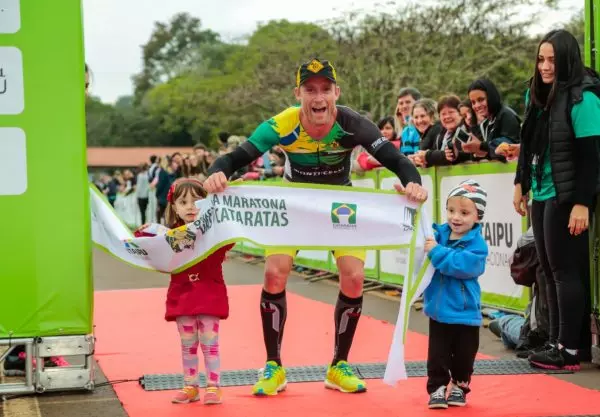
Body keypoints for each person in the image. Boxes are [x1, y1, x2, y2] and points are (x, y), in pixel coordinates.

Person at [203, 58, 428, 396]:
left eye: (325, 89)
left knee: (354, 276)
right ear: (298, 94)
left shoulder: (354, 124)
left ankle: (339, 365)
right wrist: (217, 173)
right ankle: (273, 366)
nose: (318, 97)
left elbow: (396, 161)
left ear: (337, 92)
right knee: (274, 273)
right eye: (310, 90)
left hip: (340, 205)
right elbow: (234, 158)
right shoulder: (282, 124)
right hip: (294, 204)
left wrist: (413, 183)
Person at [513, 29, 600, 371]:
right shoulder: (535, 93)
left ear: (567, 60)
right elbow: (528, 143)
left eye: (552, 60)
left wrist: (582, 203)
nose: (545, 67)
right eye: (540, 59)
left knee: (565, 271)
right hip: (541, 191)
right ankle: (556, 341)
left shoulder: (584, 99)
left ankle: (569, 350)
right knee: (548, 271)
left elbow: (591, 158)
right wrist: (520, 183)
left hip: (567, 195)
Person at [135, 178, 233, 405]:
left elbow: (232, 233)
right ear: (174, 207)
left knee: (209, 343)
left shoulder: (215, 233)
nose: (190, 207)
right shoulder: (169, 236)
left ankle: (213, 386)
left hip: (209, 294)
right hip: (183, 296)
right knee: (188, 344)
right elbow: (143, 242)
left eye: (197, 201)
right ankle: (190, 386)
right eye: (183, 202)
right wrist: (145, 230)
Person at [423, 179, 488, 409]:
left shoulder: (477, 246)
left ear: (478, 217)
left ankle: (460, 385)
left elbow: (460, 266)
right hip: (439, 312)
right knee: (437, 355)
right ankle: (437, 388)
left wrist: (437, 252)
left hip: (465, 312)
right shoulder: (438, 235)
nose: (455, 217)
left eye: (464, 213)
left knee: (464, 355)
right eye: (451, 210)